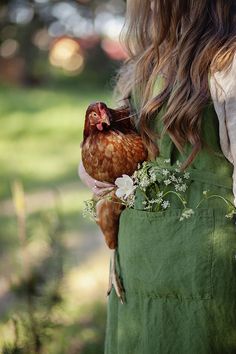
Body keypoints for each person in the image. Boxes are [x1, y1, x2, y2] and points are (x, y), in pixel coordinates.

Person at [79, 0, 236, 352]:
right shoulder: (146, 64)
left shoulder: (228, 63)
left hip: (201, 268)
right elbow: (117, 148)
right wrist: (96, 169)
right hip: (138, 267)